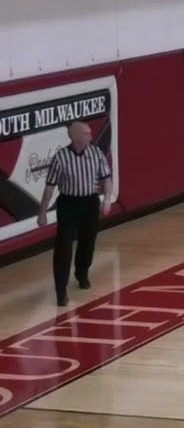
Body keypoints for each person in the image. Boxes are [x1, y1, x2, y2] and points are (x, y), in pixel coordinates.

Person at [36, 121, 114, 307]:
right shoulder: (61, 157)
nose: (90, 136)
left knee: (88, 240)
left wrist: (107, 199)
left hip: (89, 202)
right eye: (86, 133)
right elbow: (49, 186)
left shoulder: (96, 153)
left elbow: (106, 178)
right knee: (63, 246)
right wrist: (43, 212)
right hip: (69, 204)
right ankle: (60, 291)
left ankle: (82, 272)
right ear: (76, 136)